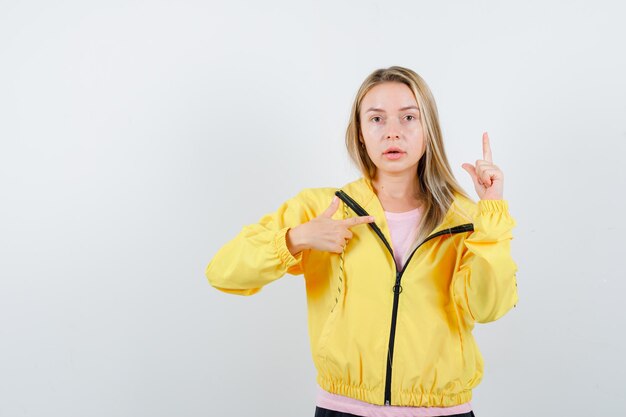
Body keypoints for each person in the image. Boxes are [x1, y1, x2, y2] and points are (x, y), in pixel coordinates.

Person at [205, 66, 518, 417]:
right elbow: (222, 272)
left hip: (444, 412)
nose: (393, 133)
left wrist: (491, 212)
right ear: (360, 134)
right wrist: (296, 238)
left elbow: (490, 307)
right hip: (343, 409)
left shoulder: (465, 220)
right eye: (377, 119)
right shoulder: (323, 208)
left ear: (428, 130)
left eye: (408, 118)